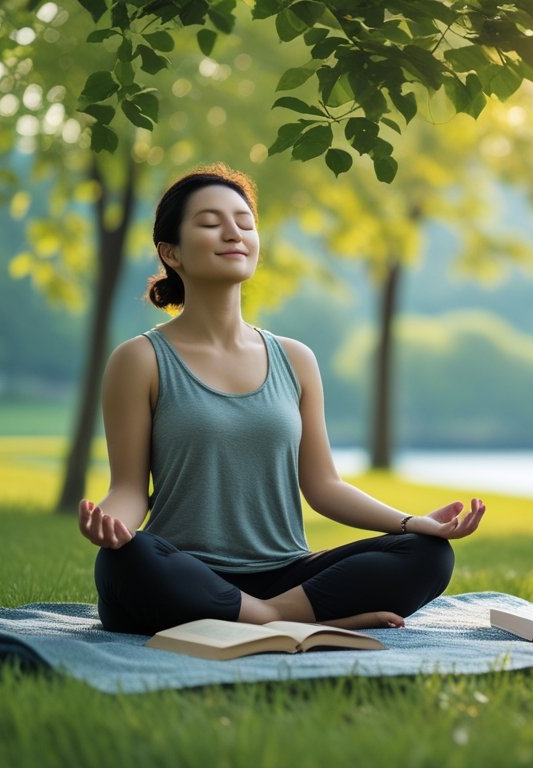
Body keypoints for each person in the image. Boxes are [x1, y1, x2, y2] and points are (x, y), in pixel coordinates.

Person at [78, 163, 486, 635]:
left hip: (287, 577)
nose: (234, 233)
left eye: (245, 223)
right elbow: (130, 487)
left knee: (429, 555)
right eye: (211, 224)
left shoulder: (295, 358)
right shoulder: (140, 359)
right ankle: (289, 621)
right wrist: (112, 525)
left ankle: (264, 616)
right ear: (172, 252)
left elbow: (324, 487)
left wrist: (413, 522)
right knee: (126, 561)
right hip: (185, 572)